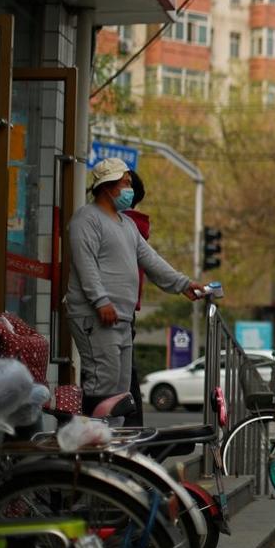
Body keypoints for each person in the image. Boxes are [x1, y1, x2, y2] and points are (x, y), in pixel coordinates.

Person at [65, 158, 203, 421]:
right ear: (107, 186)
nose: (129, 189)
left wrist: (183, 284)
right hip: (95, 314)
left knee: (119, 391)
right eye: (125, 183)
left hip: (121, 316)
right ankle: (89, 443)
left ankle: (111, 445)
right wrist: (101, 301)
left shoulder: (127, 225)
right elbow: (86, 264)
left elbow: (151, 260)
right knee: (102, 382)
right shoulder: (86, 218)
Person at [122, 170, 149, 427]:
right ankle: (134, 427)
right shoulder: (134, 227)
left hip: (116, 309)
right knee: (125, 372)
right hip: (124, 309)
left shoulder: (125, 227)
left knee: (122, 373)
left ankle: (133, 429)